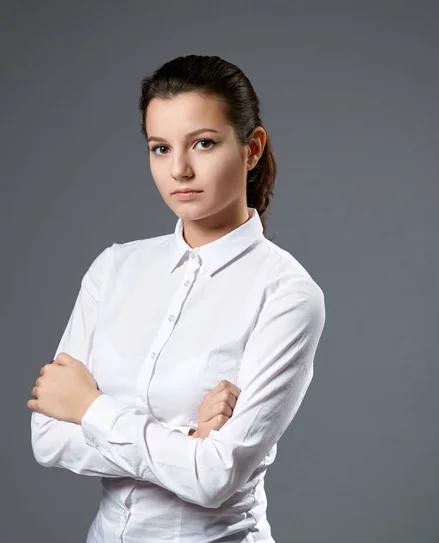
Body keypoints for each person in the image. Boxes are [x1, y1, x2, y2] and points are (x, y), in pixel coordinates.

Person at [27, 54, 326, 543]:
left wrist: (91, 409)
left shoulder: (287, 294)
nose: (179, 169)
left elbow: (213, 479)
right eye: (160, 148)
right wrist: (185, 445)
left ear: (252, 149)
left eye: (203, 143)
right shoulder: (113, 268)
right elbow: (48, 437)